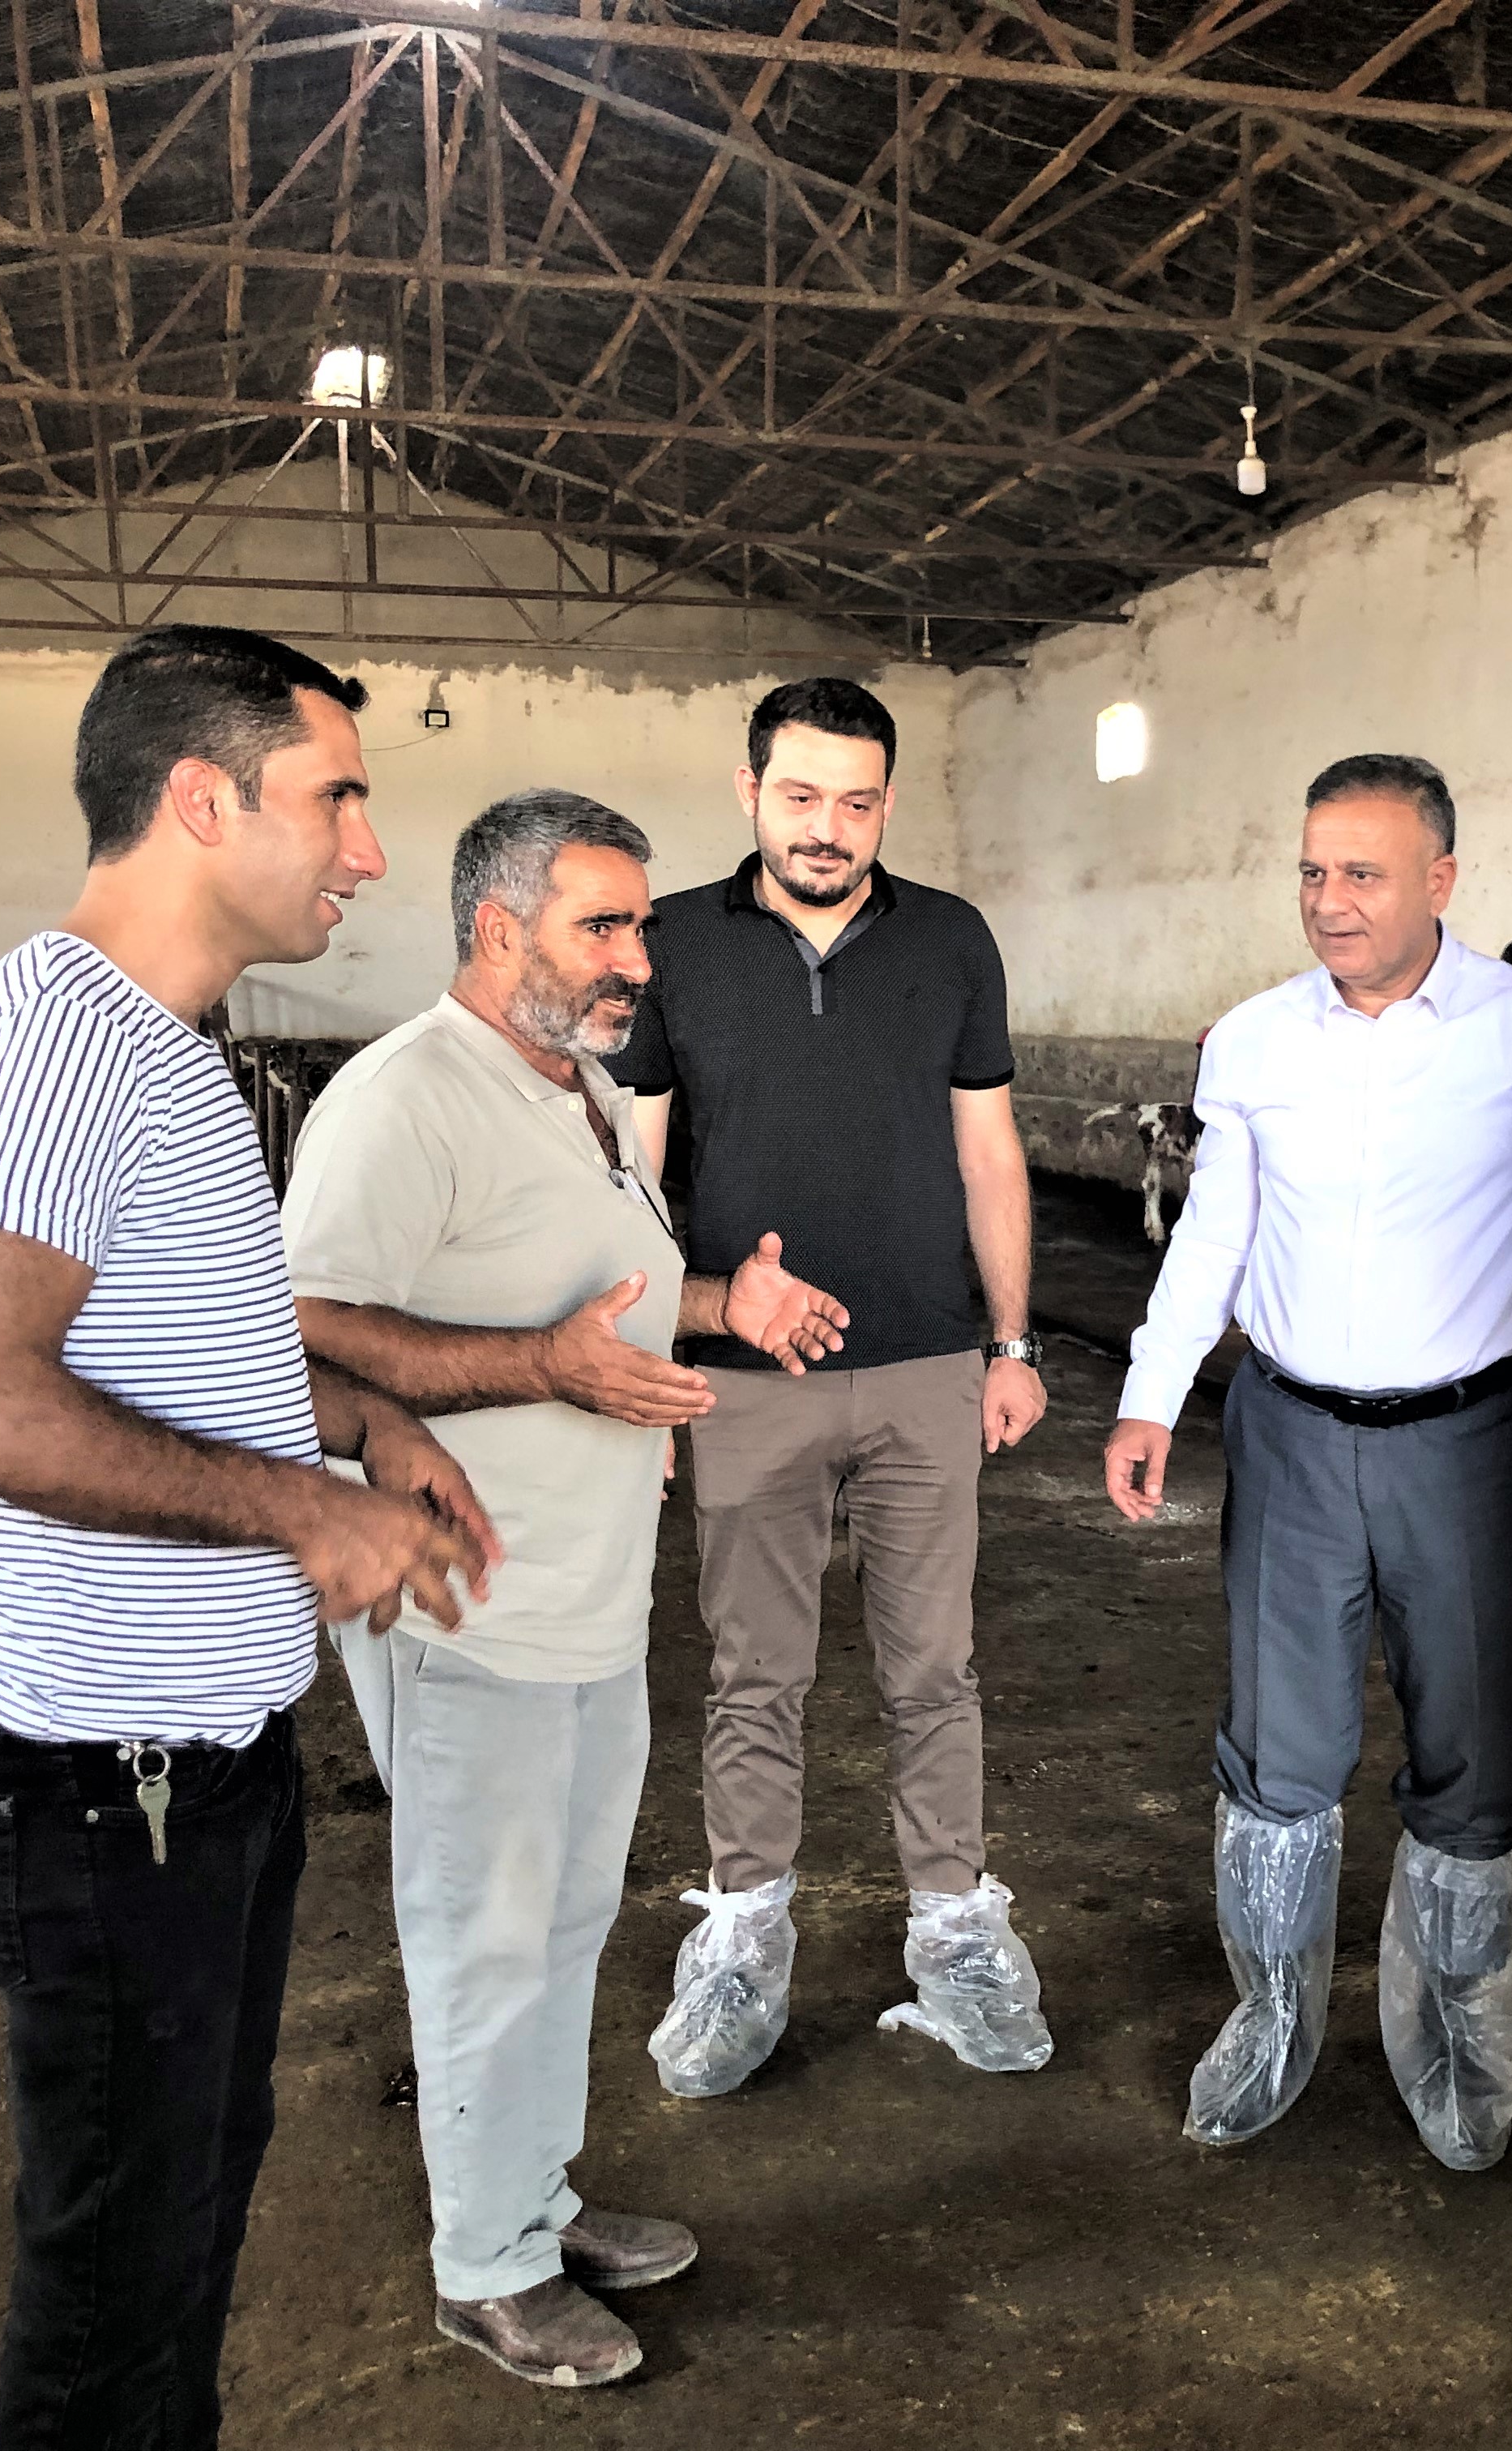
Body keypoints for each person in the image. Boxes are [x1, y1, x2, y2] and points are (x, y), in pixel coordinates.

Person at [0, 625, 495, 2450]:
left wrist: (364, 1423)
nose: (368, 852)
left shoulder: (158, 1051)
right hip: (104, 1793)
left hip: (185, 1776)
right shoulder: (62, 1045)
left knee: (183, 2223)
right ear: (203, 801)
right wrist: (304, 1508)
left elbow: (191, 1355)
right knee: (116, 2301)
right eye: (338, 800)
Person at [281, 791, 850, 2389]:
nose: (637, 960)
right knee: (486, 1935)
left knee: (565, 1923)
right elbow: (303, 1325)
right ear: (496, 927)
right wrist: (541, 1369)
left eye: (642, 925)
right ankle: (487, 2270)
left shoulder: (582, 1091)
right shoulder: (406, 1099)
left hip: (589, 1597)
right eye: (602, 925)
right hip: (469, 1603)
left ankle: (531, 2201)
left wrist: (726, 1304)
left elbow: (599, 1306)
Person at [1104, 753, 1512, 2172]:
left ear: (1441, 880)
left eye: (1361, 873)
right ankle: (1273, 2021)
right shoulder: (1255, 1041)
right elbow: (1214, 1232)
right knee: (1280, 1749)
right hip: (1290, 1433)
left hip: (1472, 1441)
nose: (1328, 901)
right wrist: (1153, 1393)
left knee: (1472, 1753)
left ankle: (1460, 2047)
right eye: (1311, 872)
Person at [614, 676, 1053, 2094]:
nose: (827, 826)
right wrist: (652, 1361)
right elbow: (636, 1166)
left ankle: (955, 1927)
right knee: (754, 1674)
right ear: (749, 792)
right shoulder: (674, 942)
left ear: (886, 804)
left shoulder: (951, 940)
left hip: (927, 1363)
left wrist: (1012, 1343)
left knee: (937, 1671)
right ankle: (744, 1934)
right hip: (748, 1377)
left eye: (856, 801)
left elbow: (988, 1151)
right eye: (800, 795)